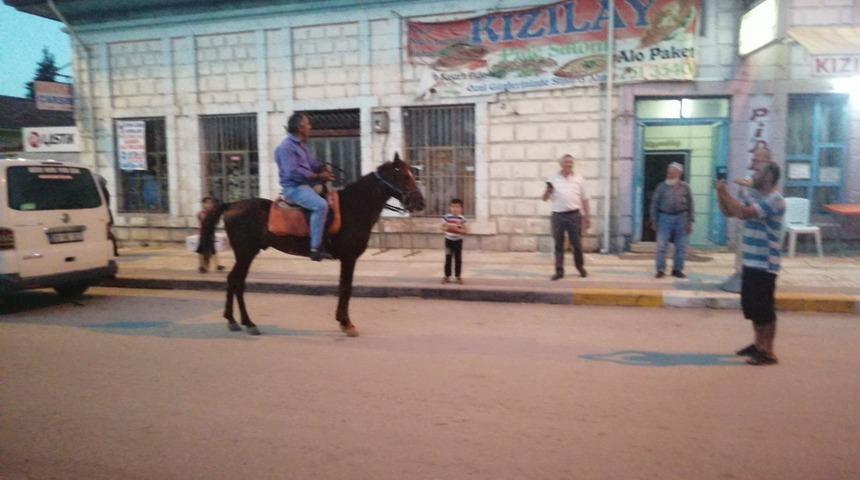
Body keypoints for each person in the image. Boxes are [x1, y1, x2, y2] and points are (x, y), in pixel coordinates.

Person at [716, 156, 785, 366]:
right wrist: (720, 192)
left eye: (758, 171)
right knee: (753, 308)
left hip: (765, 263)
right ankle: (758, 345)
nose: (753, 173)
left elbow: (743, 212)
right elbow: (729, 211)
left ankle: (768, 352)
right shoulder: (755, 195)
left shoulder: (775, 199)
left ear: (769, 177)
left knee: (764, 309)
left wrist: (726, 193)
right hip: (751, 260)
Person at [275, 112, 335, 261]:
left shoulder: (302, 145)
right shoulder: (286, 147)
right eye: (308, 124)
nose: (310, 127)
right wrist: (318, 177)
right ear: (300, 128)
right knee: (321, 205)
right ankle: (315, 248)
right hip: (294, 189)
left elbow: (311, 164)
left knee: (332, 200)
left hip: (306, 186)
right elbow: (293, 172)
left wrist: (322, 168)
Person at [543, 154, 590, 280]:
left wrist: (587, 217)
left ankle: (580, 267)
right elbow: (545, 198)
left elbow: (584, 199)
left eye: (570, 163)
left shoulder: (579, 179)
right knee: (558, 244)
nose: (568, 165)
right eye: (566, 162)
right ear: (561, 164)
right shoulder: (552, 179)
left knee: (577, 244)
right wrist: (547, 192)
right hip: (558, 215)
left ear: (573, 164)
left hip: (574, 215)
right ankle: (559, 271)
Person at [650, 162, 694, 279]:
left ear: (679, 174)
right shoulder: (661, 187)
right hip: (664, 218)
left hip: (682, 218)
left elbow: (691, 205)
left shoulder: (685, 187)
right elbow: (654, 204)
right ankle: (660, 269)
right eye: (668, 173)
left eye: (672, 173)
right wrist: (654, 221)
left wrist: (690, 222)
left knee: (681, 246)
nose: (669, 175)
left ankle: (677, 269)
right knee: (661, 246)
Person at [441, 198, 467, 284]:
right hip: (448, 241)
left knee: (458, 259)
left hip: (458, 242)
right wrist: (447, 227)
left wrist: (457, 229)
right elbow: (442, 228)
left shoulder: (462, 219)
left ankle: (458, 276)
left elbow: (466, 231)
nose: (455, 209)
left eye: (457, 207)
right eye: (453, 207)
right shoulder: (446, 217)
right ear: (450, 208)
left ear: (461, 209)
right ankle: (447, 276)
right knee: (448, 258)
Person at [196, 196, 225, 273]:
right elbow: (205, 223)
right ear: (204, 204)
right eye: (207, 203)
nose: (209, 205)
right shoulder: (201, 214)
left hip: (210, 234)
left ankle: (217, 265)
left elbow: (215, 224)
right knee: (202, 250)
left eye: (211, 203)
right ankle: (202, 266)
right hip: (204, 234)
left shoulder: (213, 213)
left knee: (212, 250)